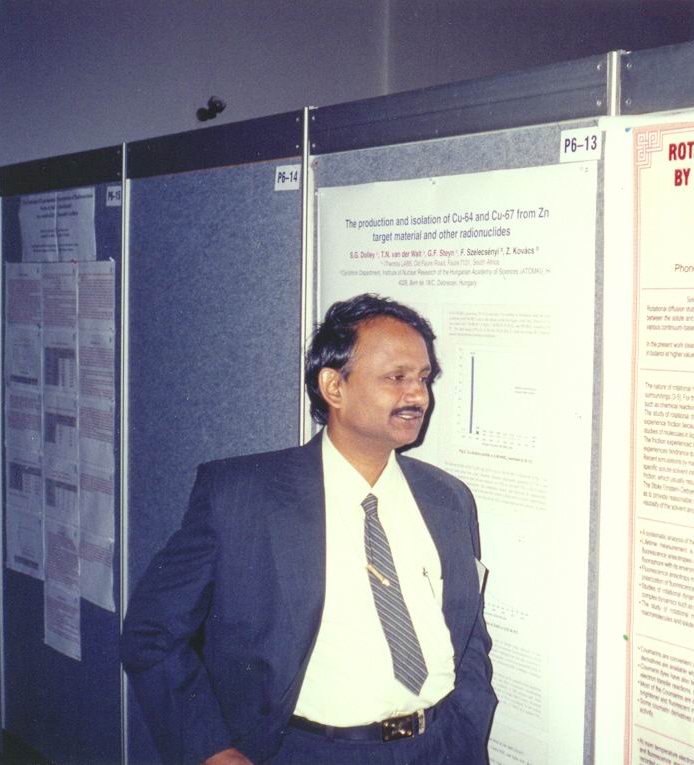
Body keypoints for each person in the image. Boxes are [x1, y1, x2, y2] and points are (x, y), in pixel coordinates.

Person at [121, 293, 496, 765]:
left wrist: (466, 728)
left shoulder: (447, 498)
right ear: (333, 386)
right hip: (312, 750)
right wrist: (211, 750)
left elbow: (468, 635)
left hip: (441, 747)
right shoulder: (242, 496)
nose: (418, 396)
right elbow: (153, 633)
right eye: (396, 377)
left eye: (423, 378)